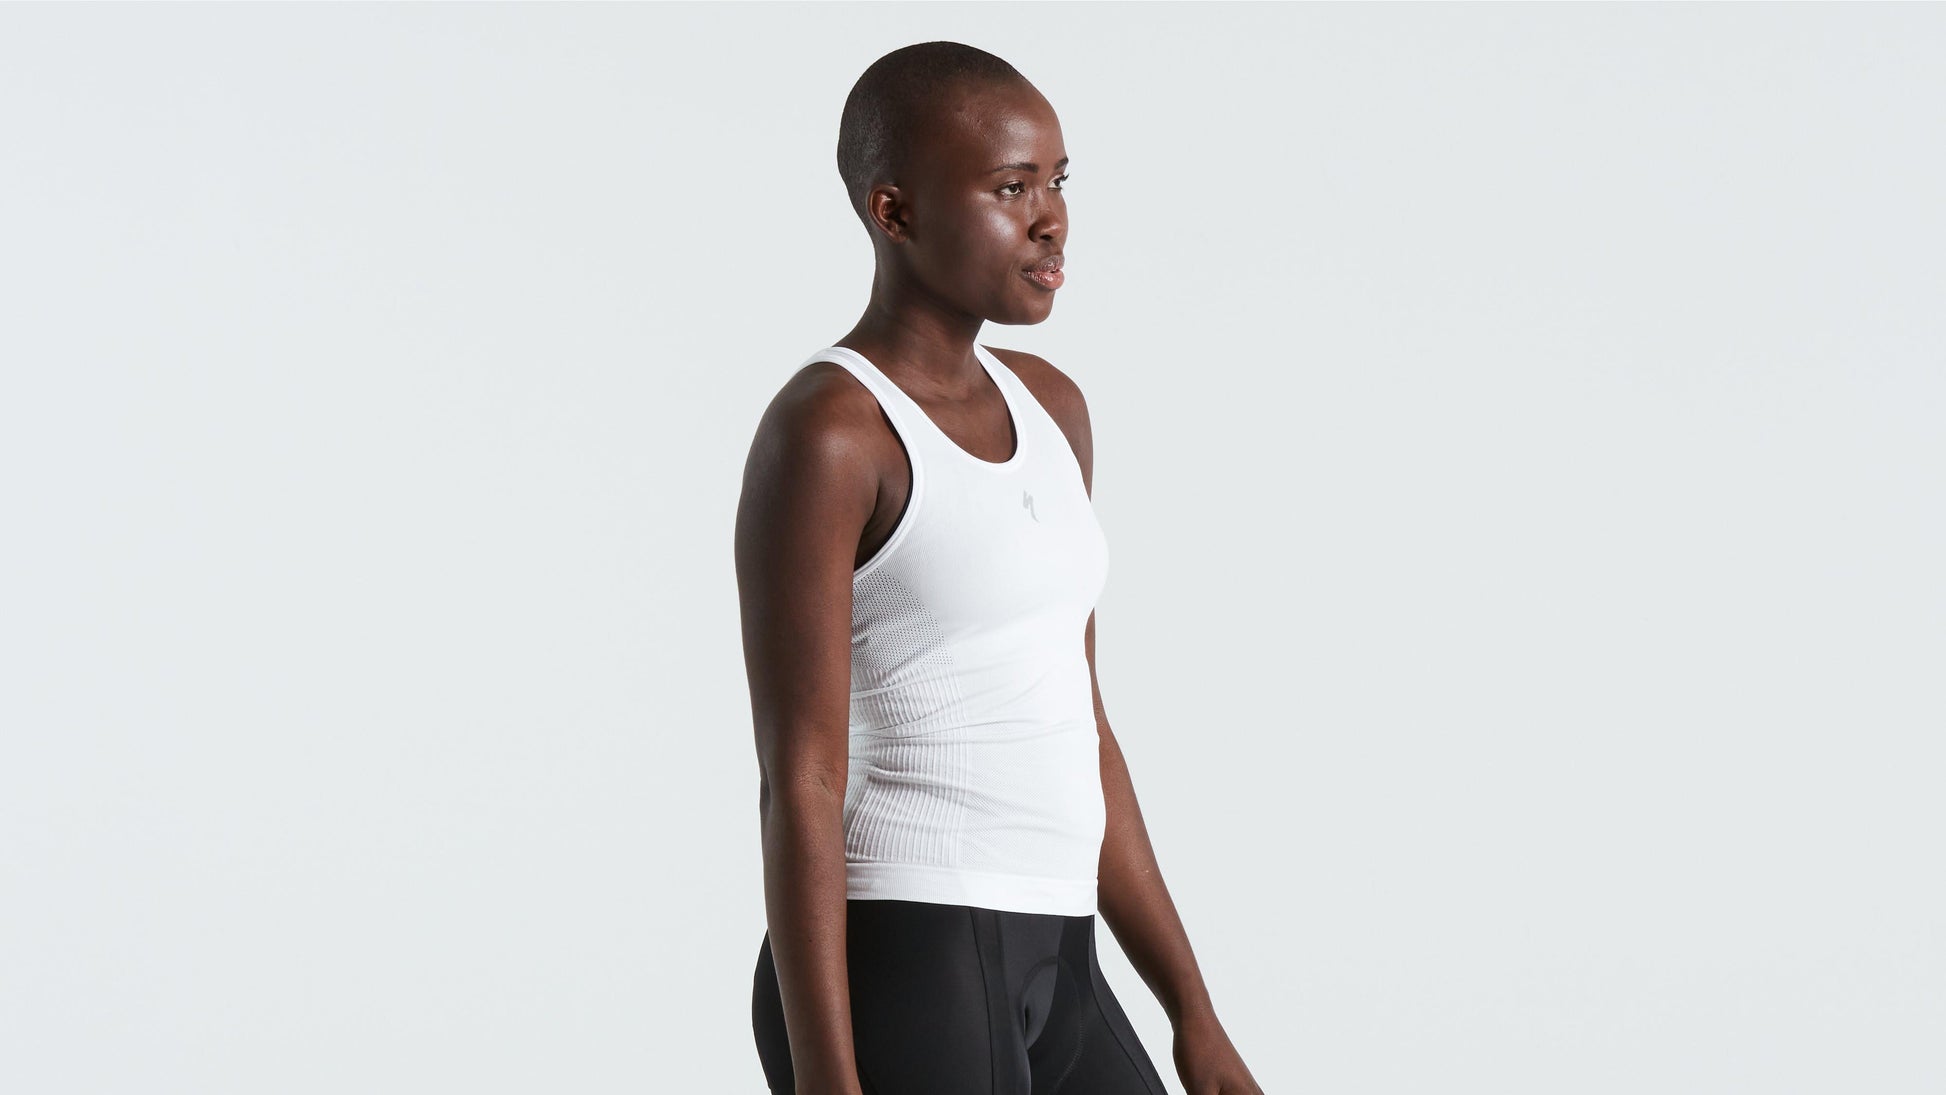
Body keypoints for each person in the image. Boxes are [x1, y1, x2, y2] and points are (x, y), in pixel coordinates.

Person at [735, 41, 1265, 1095]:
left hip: (1062, 946)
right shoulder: (833, 432)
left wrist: (1193, 1015)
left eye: (1058, 181)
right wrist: (827, 1078)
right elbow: (801, 779)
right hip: (907, 952)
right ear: (895, 213)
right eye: (1010, 187)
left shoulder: (1053, 408)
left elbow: (1083, 727)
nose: (1050, 219)